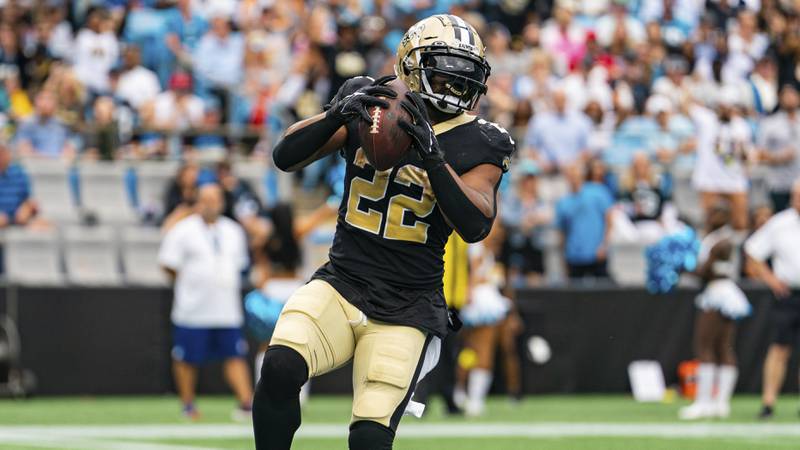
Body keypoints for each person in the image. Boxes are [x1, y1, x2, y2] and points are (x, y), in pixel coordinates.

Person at [253, 15, 514, 450]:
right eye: (446, 66)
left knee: (370, 437)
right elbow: (286, 156)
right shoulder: (370, 98)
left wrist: (433, 158)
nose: (456, 80)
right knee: (279, 366)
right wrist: (333, 115)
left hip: (409, 304)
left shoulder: (483, 140)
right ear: (411, 63)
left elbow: (476, 224)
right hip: (342, 281)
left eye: (466, 71)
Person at [158, 183, 253, 420]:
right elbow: (168, 264)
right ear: (198, 202)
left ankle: (246, 403)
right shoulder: (183, 230)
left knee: (235, 356)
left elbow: (240, 265)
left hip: (226, 308)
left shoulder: (233, 231)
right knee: (187, 358)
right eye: (206, 199)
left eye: (215, 199)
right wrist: (193, 282)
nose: (211, 204)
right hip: (192, 308)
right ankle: (188, 405)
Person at [679, 200, 750, 420]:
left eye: (716, 214)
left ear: (725, 217)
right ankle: (717, 403)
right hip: (721, 291)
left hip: (719, 293)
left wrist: (681, 268)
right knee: (720, 347)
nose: (710, 217)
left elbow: (706, 272)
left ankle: (707, 402)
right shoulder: (715, 239)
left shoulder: (722, 242)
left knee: (706, 345)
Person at [745, 179, 800, 419]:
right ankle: (768, 402)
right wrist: (771, 279)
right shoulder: (780, 223)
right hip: (788, 294)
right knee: (779, 348)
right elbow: (753, 251)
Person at [455, 223, 512, 417]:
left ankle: (461, 393)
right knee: (483, 350)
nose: (498, 234)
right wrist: (471, 291)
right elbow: (475, 275)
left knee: (469, 350)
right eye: (495, 229)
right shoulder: (477, 246)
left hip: (476, 300)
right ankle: (475, 399)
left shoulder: (484, 248)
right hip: (481, 302)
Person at [556, 161, 614, 279]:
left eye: (576, 175)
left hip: (596, 254)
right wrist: (563, 258)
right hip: (574, 256)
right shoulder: (563, 203)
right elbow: (562, 233)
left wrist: (604, 245)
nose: (573, 178)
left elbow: (609, 220)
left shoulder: (598, 192)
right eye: (570, 175)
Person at [757, 84, 800, 212]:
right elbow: (759, 154)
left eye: (792, 94)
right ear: (780, 98)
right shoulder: (769, 123)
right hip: (779, 183)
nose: (790, 98)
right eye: (786, 95)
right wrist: (778, 157)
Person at [13, 90, 74, 158]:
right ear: (36, 102)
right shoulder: (27, 124)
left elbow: (68, 148)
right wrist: (46, 160)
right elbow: (24, 148)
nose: (45, 103)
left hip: (59, 165)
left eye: (50, 99)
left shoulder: (61, 125)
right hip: (34, 165)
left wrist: (64, 159)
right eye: (42, 99)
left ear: (56, 103)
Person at [0, 143, 43, 229]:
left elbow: (28, 200)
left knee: (44, 227)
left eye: (4, 153)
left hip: (19, 220)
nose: (2, 157)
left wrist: (26, 208)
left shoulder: (19, 172)